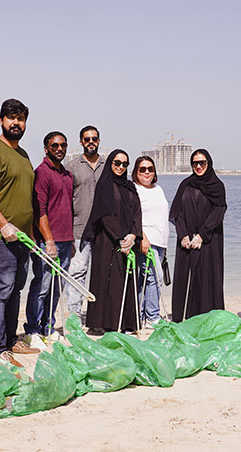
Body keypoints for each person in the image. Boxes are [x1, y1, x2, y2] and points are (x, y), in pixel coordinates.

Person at [0, 98, 40, 367]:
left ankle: (11, 340)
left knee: (15, 291)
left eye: (21, 118)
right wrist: (3, 224)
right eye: (11, 118)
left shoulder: (23, 155)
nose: (16, 123)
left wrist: (31, 234)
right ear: (1, 121)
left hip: (22, 238)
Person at [82, 149, 142, 333]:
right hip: (107, 240)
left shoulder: (130, 187)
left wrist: (133, 236)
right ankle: (103, 323)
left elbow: (137, 213)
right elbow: (105, 215)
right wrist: (120, 238)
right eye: (117, 163)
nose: (120, 167)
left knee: (125, 278)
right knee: (106, 280)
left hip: (128, 241)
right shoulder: (104, 185)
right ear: (110, 164)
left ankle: (126, 323)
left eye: (124, 164)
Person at [24, 131, 74, 339]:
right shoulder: (42, 173)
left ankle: (48, 326)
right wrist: (49, 241)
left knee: (56, 288)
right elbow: (40, 210)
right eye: (54, 146)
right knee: (42, 286)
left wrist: (70, 241)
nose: (59, 149)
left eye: (63, 145)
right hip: (48, 242)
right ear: (46, 148)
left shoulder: (68, 175)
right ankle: (33, 329)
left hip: (66, 240)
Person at [169, 149, 227, 322]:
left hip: (208, 241)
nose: (199, 166)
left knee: (207, 278)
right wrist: (183, 235)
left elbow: (219, 211)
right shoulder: (185, 184)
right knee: (184, 279)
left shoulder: (217, 186)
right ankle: (183, 318)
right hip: (186, 242)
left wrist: (202, 235)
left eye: (202, 163)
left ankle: (209, 319)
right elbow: (177, 212)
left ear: (209, 164)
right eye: (195, 163)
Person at [65, 126, 105, 321]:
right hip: (79, 230)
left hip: (105, 233)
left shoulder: (109, 165)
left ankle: (102, 315)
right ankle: (74, 316)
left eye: (94, 138)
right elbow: (65, 202)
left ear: (99, 141)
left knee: (104, 273)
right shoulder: (71, 167)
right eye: (87, 139)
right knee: (77, 273)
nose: (91, 142)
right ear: (81, 141)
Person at [132, 155, 169, 327]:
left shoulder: (158, 189)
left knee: (148, 278)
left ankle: (141, 315)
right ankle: (152, 316)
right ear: (136, 172)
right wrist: (142, 237)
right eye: (142, 169)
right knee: (154, 277)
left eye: (150, 169)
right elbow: (133, 217)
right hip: (147, 240)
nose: (147, 172)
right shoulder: (135, 189)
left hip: (161, 241)